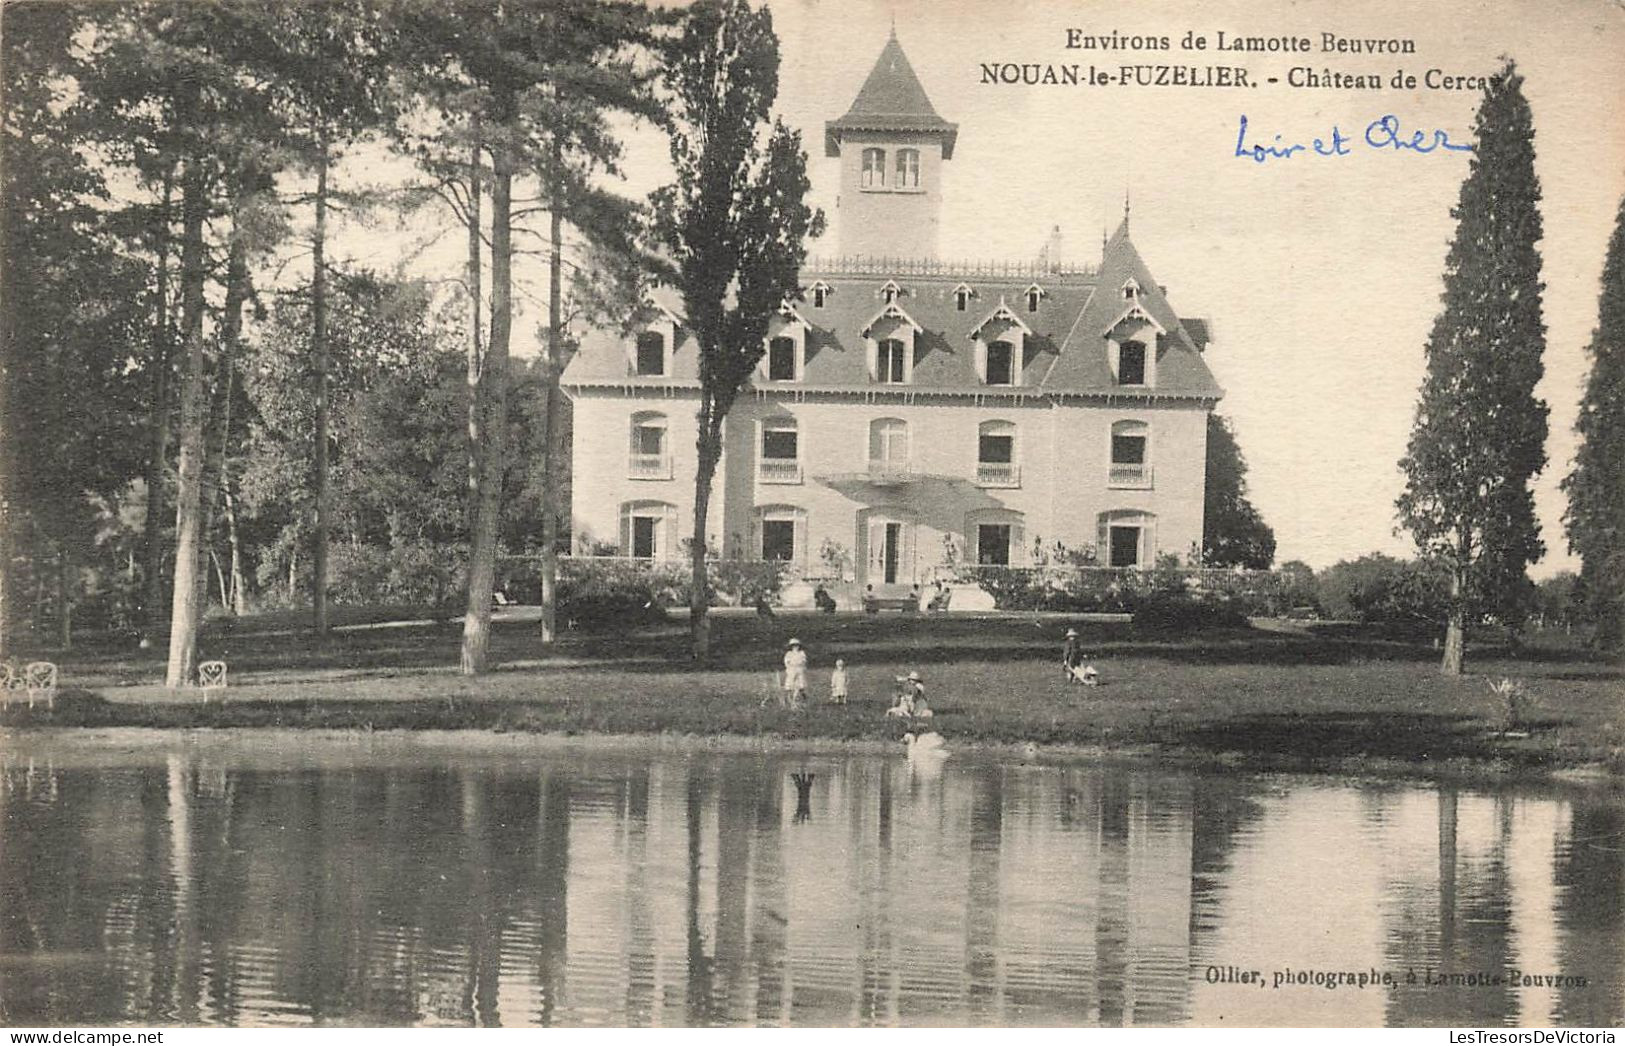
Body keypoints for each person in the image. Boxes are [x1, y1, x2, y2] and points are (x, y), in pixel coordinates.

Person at [782, 638, 809, 708]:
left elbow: (804, 661)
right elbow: (786, 662)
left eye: (797, 646)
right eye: (793, 646)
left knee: (801, 686)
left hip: (800, 670)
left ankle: (803, 701)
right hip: (791, 670)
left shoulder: (801, 653)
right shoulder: (789, 654)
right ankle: (789, 702)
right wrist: (790, 667)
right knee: (790, 686)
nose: (795, 647)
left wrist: (800, 664)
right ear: (791, 647)